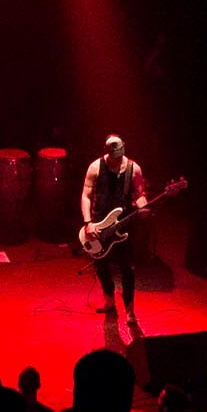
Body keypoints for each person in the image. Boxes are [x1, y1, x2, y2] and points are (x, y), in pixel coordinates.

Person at [79, 135, 149, 324]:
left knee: (127, 268)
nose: (117, 160)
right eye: (114, 156)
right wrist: (88, 222)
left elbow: (140, 194)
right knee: (100, 264)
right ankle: (109, 298)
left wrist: (142, 206)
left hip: (123, 225)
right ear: (107, 152)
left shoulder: (134, 169)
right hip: (99, 224)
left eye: (120, 155)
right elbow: (86, 195)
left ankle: (130, 309)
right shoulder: (95, 167)